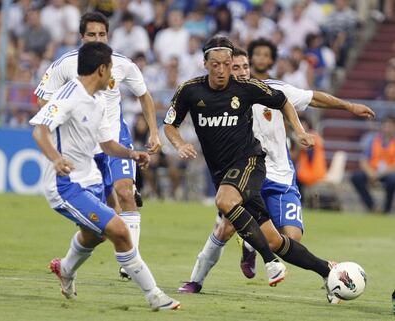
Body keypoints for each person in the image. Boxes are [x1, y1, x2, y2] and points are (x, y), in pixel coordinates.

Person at [175, 42, 374, 303]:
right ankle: (196, 279)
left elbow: (312, 97)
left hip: (280, 177)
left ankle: (319, 269)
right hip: (245, 174)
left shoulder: (272, 90)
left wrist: (348, 107)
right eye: (236, 67)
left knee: (288, 240)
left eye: (245, 66)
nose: (242, 71)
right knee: (225, 226)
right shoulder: (221, 95)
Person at [29, 42, 179, 311]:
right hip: (66, 185)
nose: (113, 76)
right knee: (119, 230)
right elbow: (40, 131)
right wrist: (56, 158)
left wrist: (131, 155)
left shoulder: (98, 101)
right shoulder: (68, 96)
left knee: (95, 235)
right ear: (101, 69)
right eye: (110, 69)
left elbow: (107, 144)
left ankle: (64, 269)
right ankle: (155, 296)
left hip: (90, 179)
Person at [33, 12, 161, 279]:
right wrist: (61, 130)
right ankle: (66, 266)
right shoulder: (66, 64)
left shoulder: (121, 65)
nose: (96, 39)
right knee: (104, 223)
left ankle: (130, 264)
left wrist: (153, 132)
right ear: (81, 37)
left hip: (115, 137)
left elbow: (144, 96)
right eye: (91, 34)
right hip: (86, 147)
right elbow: (42, 98)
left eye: (101, 34)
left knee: (126, 192)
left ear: (108, 35)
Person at [351, 115, 395, 214]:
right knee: (356, 177)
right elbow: (363, 160)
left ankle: (386, 209)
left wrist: (381, 173)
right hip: (373, 172)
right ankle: (371, 206)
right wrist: (370, 172)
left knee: (392, 180)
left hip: (388, 173)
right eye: (385, 125)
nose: (387, 128)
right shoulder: (372, 140)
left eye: (390, 126)